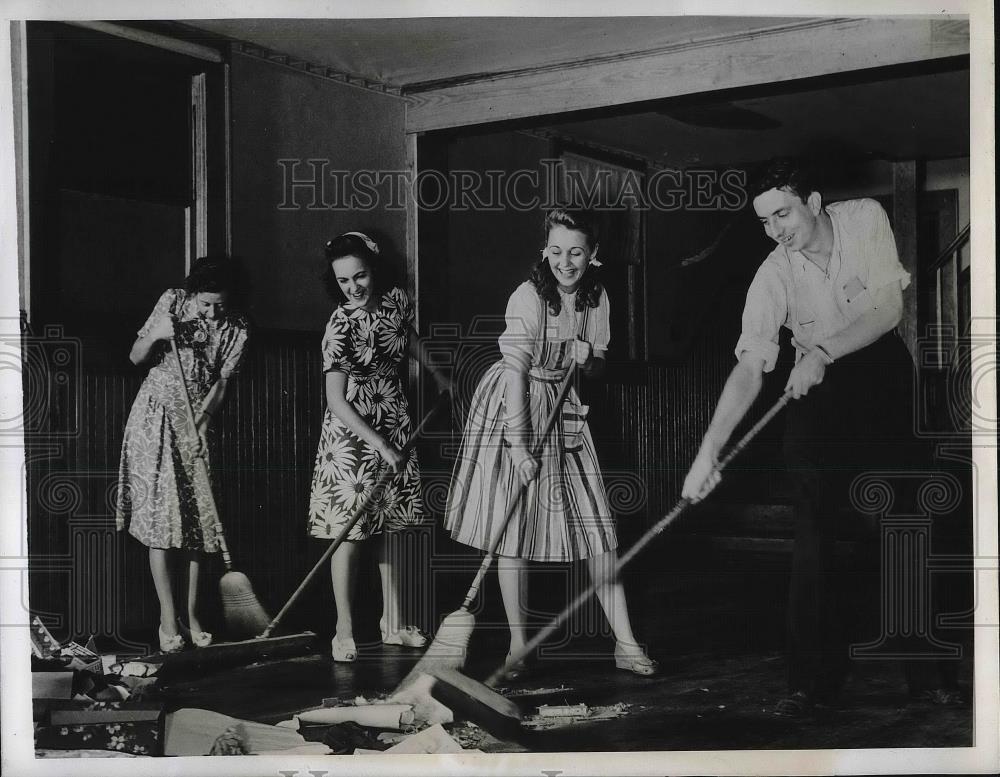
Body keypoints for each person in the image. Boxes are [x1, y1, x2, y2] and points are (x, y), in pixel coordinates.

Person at [681, 158, 934, 716]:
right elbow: (751, 365)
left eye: (783, 213)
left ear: (814, 202)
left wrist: (823, 351)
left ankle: (929, 675)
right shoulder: (773, 272)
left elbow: (889, 308)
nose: (776, 229)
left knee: (904, 520)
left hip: (881, 374)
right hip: (817, 390)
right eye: (765, 221)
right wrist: (708, 451)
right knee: (812, 525)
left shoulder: (864, 217)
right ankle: (810, 681)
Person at [444, 208, 657, 677]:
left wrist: (588, 359)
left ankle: (626, 642)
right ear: (545, 250)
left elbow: (599, 366)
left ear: (593, 254)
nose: (566, 261)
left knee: (597, 526)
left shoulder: (597, 299)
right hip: (513, 406)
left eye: (576, 252)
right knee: (513, 528)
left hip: (564, 408)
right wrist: (519, 448)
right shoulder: (527, 298)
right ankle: (518, 646)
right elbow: (517, 374)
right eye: (557, 251)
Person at [308, 231, 449, 662]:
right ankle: (344, 630)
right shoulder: (340, 325)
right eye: (344, 280)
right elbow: (335, 398)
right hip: (352, 432)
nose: (354, 287)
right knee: (347, 531)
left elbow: (408, 338)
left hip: (394, 413)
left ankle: (393, 623)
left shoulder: (395, 301)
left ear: (374, 270)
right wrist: (379, 443)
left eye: (360, 276)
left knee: (393, 525)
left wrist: (437, 373)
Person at [116, 257, 249, 653]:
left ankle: (192, 619)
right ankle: (167, 620)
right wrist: (156, 333)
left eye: (219, 305)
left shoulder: (238, 327)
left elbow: (223, 384)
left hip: (196, 426)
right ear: (194, 294)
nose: (211, 312)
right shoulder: (173, 302)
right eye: (206, 304)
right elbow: (136, 358)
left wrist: (203, 426)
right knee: (162, 522)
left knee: (197, 523)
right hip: (155, 418)